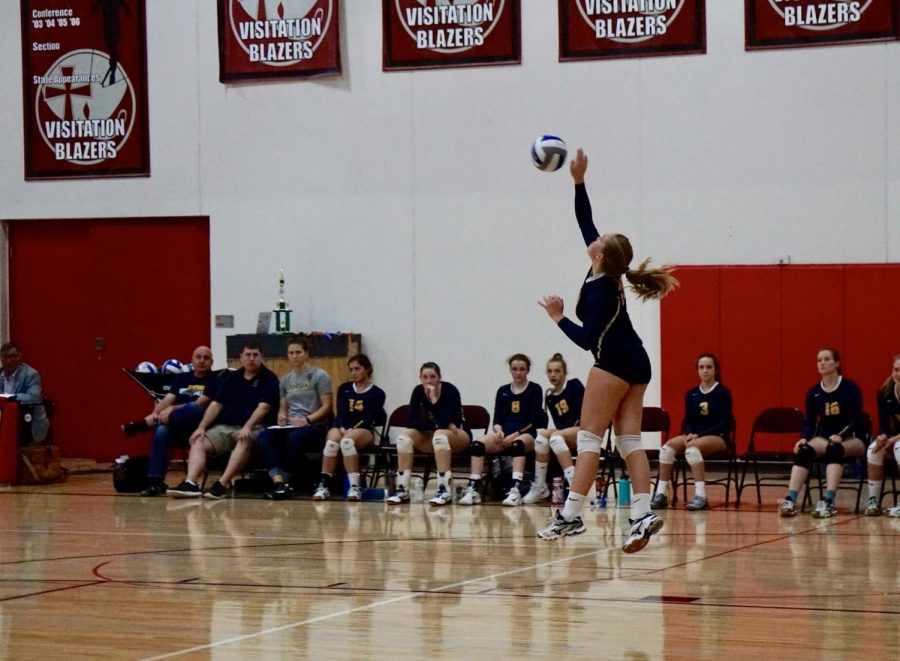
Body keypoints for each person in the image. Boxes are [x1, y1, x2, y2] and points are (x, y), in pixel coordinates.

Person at [536, 148, 678, 552]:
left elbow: (588, 341)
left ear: (599, 254)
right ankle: (641, 513)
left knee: (589, 440)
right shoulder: (604, 269)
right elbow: (585, 221)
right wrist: (578, 180)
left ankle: (570, 517)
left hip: (614, 362)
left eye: (600, 239)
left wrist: (559, 317)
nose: (595, 236)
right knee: (630, 441)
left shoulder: (599, 293)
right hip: (638, 361)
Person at [168, 340, 279, 499]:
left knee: (244, 439)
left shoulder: (269, 379)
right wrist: (201, 427)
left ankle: (221, 484)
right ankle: (191, 484)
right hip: (225, 426)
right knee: (198, 440)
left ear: (262, 357)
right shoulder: (232, 378)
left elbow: (264, 408)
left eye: (255, 355)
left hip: (255, 427)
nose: (251, 358)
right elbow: (216, 405)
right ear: (241, 357)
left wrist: (247, 427)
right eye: (248, 355)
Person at [778, 347, 865, 519]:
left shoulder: (850, 388)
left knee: (835, 449)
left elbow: (857, 419)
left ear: (837, 363)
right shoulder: (814, 392)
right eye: (819, 360)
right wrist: (803, 438)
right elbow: (809, 423)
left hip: (853, 438)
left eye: (826, 359)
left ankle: (829, 501)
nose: (822, 363)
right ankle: (791, 499)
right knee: (803, 451)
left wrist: (841, 435)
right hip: (826, 437)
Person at [131, 346, 220, 496]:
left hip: (199, 427)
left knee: (193, 408)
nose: (202, 361)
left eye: (206, 358)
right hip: (178, 427)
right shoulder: (182, 378)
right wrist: (156, 412)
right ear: (192, 360)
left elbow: (201, 403)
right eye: (198, 357)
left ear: (211, 362)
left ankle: (146, 423)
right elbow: (168, 399)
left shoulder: (216, 381)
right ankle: (155, 483)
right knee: (161, 430)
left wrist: (172, 411)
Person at [458, 354, 545, 507]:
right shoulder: (503, 391)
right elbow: (497, 419)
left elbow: (534, 420)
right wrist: (498, 430)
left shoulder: (535, 389)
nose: (518, 373)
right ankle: (474, 488)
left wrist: (515, 434)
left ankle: (515, 490)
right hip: (504, 434)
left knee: (518, 445)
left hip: (525, 434)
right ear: (510, 370)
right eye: (515, 369)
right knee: (478, 445)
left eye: (522, 369)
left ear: (527, 370)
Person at [651, 353, 733, 512]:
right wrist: (689, 432)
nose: (705, 371)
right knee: (667, 448)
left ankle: (701, 496)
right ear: (697, 370)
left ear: (715, 370)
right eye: (701, 367)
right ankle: (661, 494)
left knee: (692, 449)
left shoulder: (722, 393)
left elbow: (726, 423)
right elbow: (688, 420)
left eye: (709, 367)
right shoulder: (691, 394)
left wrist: (699, 436)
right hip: (695, 436)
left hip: (718, 437)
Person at [257, 335, 334, 500]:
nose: (294, 356)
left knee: (295, 437)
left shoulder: (320, 375)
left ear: (306, 353)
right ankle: (278, 480)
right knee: (264, 436)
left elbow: (327, 407)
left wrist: (307, 420)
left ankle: (288, 480)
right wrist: (282, 416)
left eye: (298, 352)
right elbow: (283, 407)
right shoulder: (285, 380)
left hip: (314, 425)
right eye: (291, 352)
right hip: (291, 424)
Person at [386, 362, 470, 505]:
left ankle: (444, 490)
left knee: (440, 436)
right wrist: (435, 425)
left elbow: (447, 422)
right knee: (404, 438)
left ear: (439, 378)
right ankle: (402, 489)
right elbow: (411, 421)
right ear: (420, 378)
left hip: (458, 436)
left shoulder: (450, 390)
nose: (429, 381)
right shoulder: (418, 391)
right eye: (425, 377)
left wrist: (434, 400)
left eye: (432, 377)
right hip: (433, 433)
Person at [312, 354, 386, 501]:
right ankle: (324, 485)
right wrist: (343, 427)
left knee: (347, 442)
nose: (354, 373)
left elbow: (370, 418)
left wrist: (352, 429)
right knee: (332, 442)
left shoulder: (377, 393)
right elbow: (341, 412)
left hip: (364, 430)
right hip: (342, 427)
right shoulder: (344, 389)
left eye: (357, 369)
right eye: (351, 369)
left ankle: (355, 486)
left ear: (367, 369)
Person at [522, 353, 584, 504]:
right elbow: (559, 424)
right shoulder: (550, 397)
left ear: (564, 372)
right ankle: (540, 486)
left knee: (556, 437)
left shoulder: (574, 385)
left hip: (582, 429)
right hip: (565, 433)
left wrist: (562, 431)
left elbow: (585, 411)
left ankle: (574, 484)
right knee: (541, 438)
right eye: (550, 371)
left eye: (557, 371)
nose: (553, 375)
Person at [864, 354, 900, 516]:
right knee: (874, 450)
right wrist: (883, 437)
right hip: (896, 437)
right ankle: (873, 501)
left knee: (899, 448)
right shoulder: (885, 392)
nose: (898, 374)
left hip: (898, 440)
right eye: (896, 370)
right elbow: (885, 425)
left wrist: (893, 439)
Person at [0, 341, 50, 443]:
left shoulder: (31, 375)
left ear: (19, 356)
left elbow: (34, 397)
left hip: (27, 421)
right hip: (6, 419)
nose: (8, 360)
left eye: (12, 356)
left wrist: (11, 397)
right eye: (5, 357)